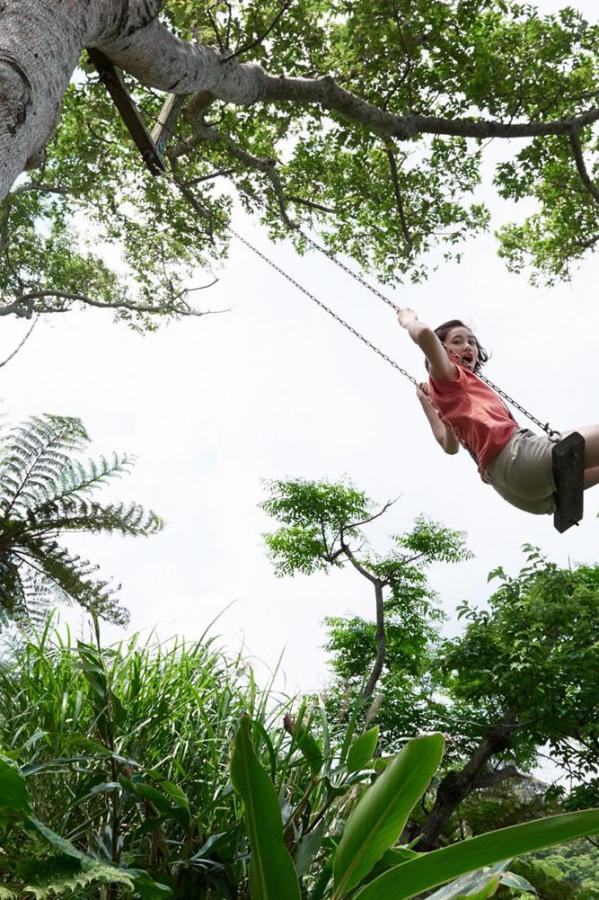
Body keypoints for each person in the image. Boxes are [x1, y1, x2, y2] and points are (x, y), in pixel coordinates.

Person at [397, 308, 599, 515]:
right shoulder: (448, 375)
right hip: (517, 460)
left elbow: (450, 446)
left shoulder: (451, 398)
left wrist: (426, 401)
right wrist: (408, 320)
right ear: (441, 349)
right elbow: (424, 334)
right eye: (457, 341)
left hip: (519, 492)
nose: (467, 346)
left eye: (472, 342)